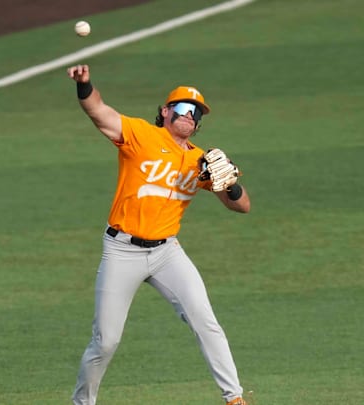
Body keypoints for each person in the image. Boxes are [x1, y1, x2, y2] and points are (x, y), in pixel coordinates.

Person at [67, 64, 251, 405]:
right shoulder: (140, 135)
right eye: (182, 108)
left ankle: (234, 398)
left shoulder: (201, 161)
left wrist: (231, 182)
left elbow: (241, 206)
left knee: (205, 321)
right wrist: (85, 84)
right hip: (122, 250)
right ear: (165, 111)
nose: (189, 116)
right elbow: (98, 112)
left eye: (195, 113)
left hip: (168, 253)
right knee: (106, 340)